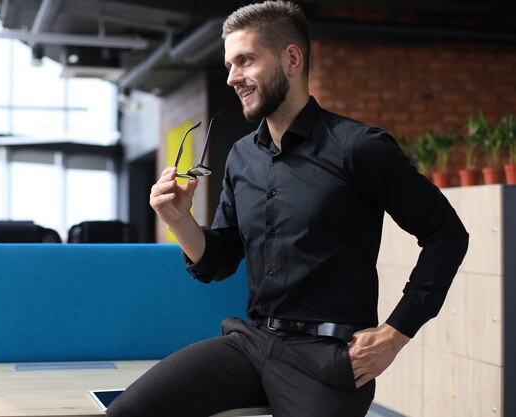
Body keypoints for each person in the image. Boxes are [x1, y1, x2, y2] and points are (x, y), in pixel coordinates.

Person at [108, 1, 469, 416]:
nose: (232, 78)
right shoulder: (241, 156)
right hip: (252, 343)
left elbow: (447, 235)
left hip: (328, 360)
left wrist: (395, 334)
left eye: (245, 60)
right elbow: (220, 260)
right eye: (229, 64)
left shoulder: (359, 147)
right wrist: (178, 220)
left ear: (291, 58)